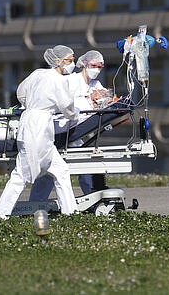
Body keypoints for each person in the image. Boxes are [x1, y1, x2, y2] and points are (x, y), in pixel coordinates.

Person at [0, 45, 80, 219]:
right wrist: (74, 116)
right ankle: (0, 215)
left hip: (30, 122)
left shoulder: (38, 74)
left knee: (61, 170)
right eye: (70, 61)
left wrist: (30, 105)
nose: (73, 64)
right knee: (21, 175)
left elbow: (21, 91)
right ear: (59, 61)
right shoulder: (59, 80)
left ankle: (70, 213)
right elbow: (66, 106)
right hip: (38, 128)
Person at [29, 50, 111, 201]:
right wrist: (87, 100)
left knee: (86, 165)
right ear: (84, 65)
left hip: (78, 133)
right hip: (62, 130)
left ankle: (91, 198)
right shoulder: (71, 81)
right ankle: (35, 204)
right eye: (94, 65)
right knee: (48, 172)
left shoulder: (95, 84)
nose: (97, 70)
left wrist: (101, 98)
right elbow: (65, 103)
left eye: (101, 67)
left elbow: (106, 96)